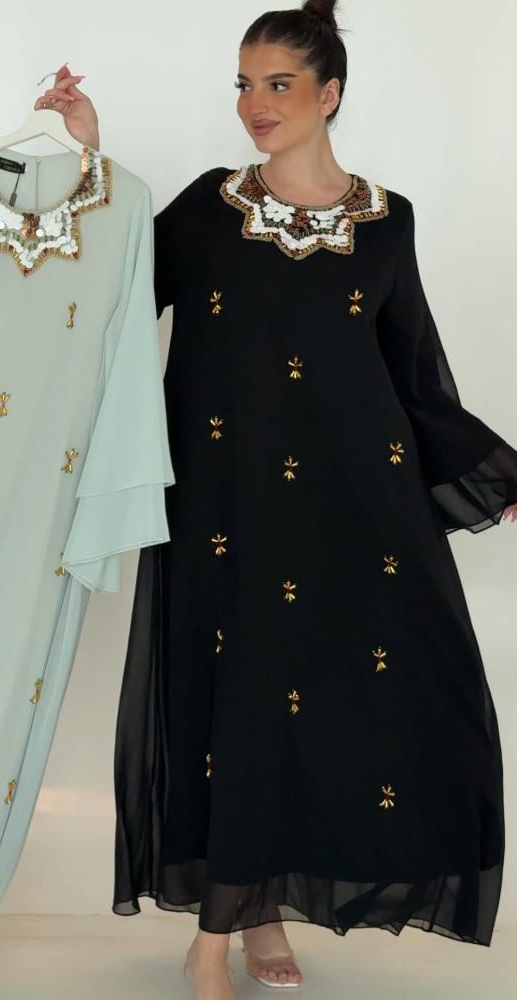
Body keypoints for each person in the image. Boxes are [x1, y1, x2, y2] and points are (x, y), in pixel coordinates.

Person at [35, 3, 517, 997]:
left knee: (344, 710)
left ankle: (260, 921)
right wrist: (88, 154)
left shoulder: (390, 220)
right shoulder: (210, 210)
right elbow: (112, 289)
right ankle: (213, 940)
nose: (256, 105)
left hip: (358, 510)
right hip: (227, 508)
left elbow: (414, 374)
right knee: (243, 706)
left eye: (279, 85)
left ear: (329, 94)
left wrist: (495, 477)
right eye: (244, 85)